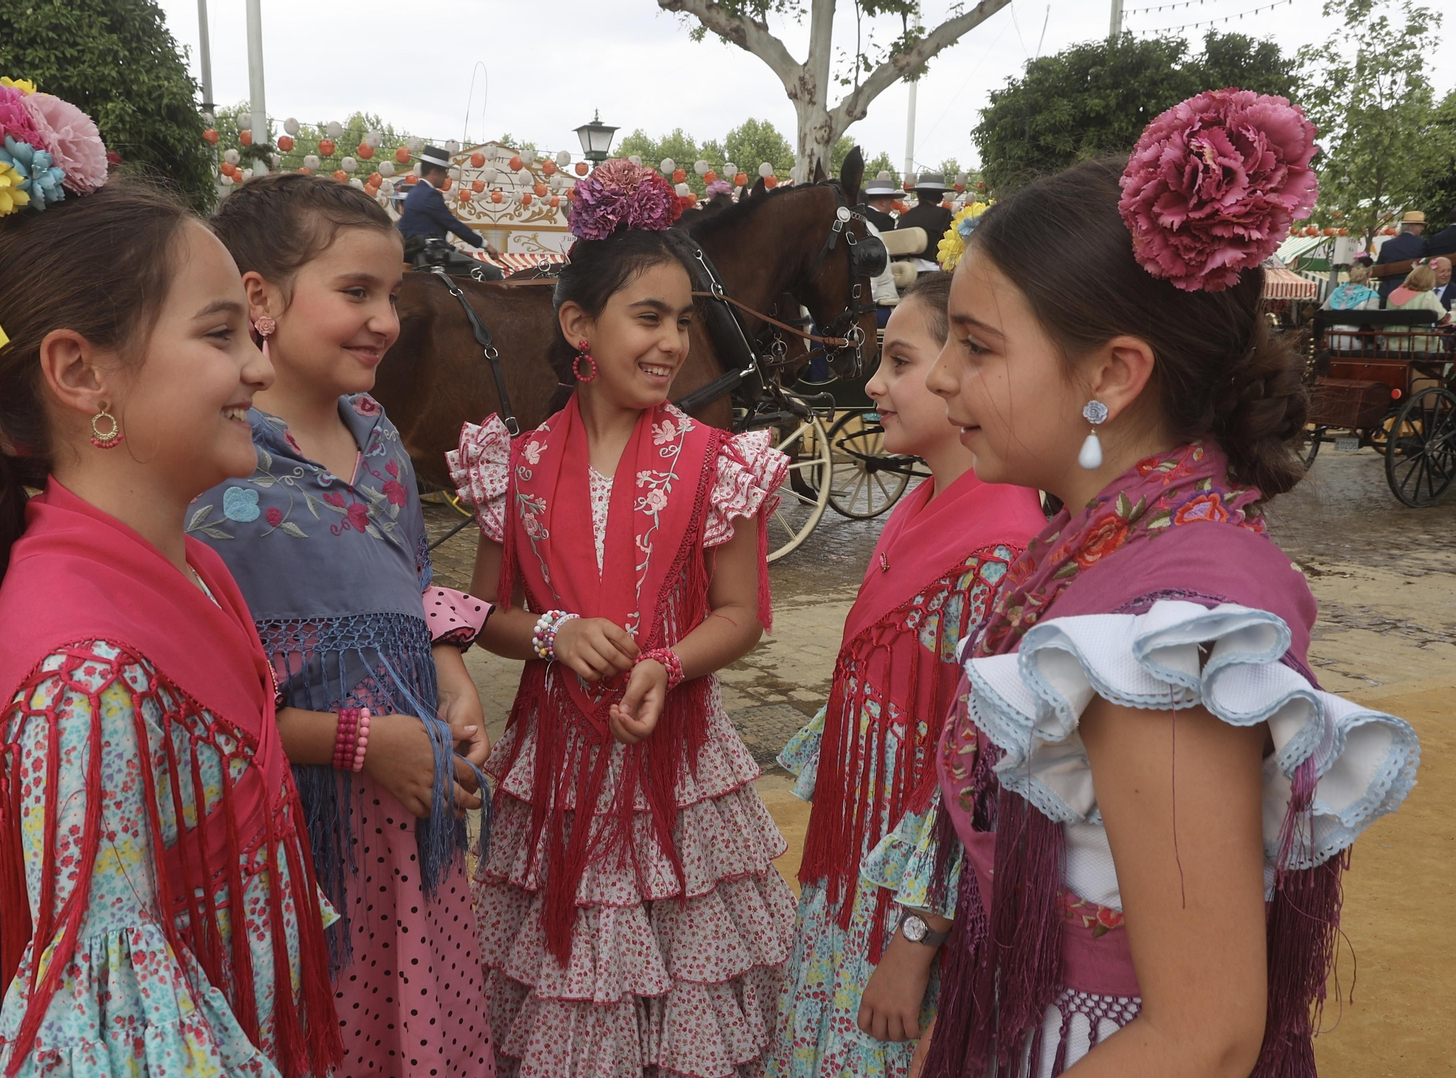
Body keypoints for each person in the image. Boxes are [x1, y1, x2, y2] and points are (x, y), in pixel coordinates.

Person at [908, 91, 1419, 1076]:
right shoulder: (1112, 547)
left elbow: (1202, 1033)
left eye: (975, 345)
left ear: (1112, 373)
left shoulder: (1165, 633)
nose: (940, 378)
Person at [0, 78, 342, 1077]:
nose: (258, 370)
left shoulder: (193, 566)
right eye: (220, 335)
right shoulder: (87, 681)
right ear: (79, 370)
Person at [449, 160, 797, 1078]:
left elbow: (741, 613)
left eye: (684, 320)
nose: (674, 343)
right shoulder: (513, 464)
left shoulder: (718, 463)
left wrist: (668, 664)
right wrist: (554, 635)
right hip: (555, 776)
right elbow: (489, 614)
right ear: (579, 327)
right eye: (649, 317)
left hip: (679, 775)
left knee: (688, 998)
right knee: (569, 994)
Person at [200, 171, 496, 1076]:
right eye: (356, 293)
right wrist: (366, 744)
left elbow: (413, 580)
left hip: (412, 836)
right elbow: (204, 709)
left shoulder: (377, 434)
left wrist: (450, 677)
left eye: (392, 296)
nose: (386, 321)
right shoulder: (214, 466)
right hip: (301, 841)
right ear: (261, 299)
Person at [770, 274, 1044, 1078]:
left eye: (897, 361)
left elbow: (983, 777)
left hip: (909, 916)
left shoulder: (1001, 549)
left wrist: (918, 937)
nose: (874, 383)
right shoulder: (921, 502)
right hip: (857, 882)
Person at [397, 145, 503, 281]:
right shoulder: (429, 195)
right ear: (435, 171)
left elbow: (425, 232)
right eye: (444, 172)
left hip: (419, 256)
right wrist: (486, 245)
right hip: (433, 257)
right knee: (493, 272)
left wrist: (458, 251)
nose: (447, 176)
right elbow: (453, 224)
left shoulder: (413, 193)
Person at [1385, 262, 1452, 353]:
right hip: (1419, 344)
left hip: (1392, 343)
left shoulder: (1393, 294)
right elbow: (1444, 319)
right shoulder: (1427, 296)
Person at [895, 174, 952, 267]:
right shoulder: (944, 214)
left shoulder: (905, 216)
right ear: (940, 198)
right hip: (930, 270)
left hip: (903, 269)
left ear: (918, 196)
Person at [1375, 210, 1429, 299]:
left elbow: (1380, 268)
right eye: (1421, 225)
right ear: (1413, 226)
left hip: (1388, 289)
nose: (1423, 228)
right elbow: (1424, 268)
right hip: (1412, 289)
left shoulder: (1387, 244)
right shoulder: (1422, 243)